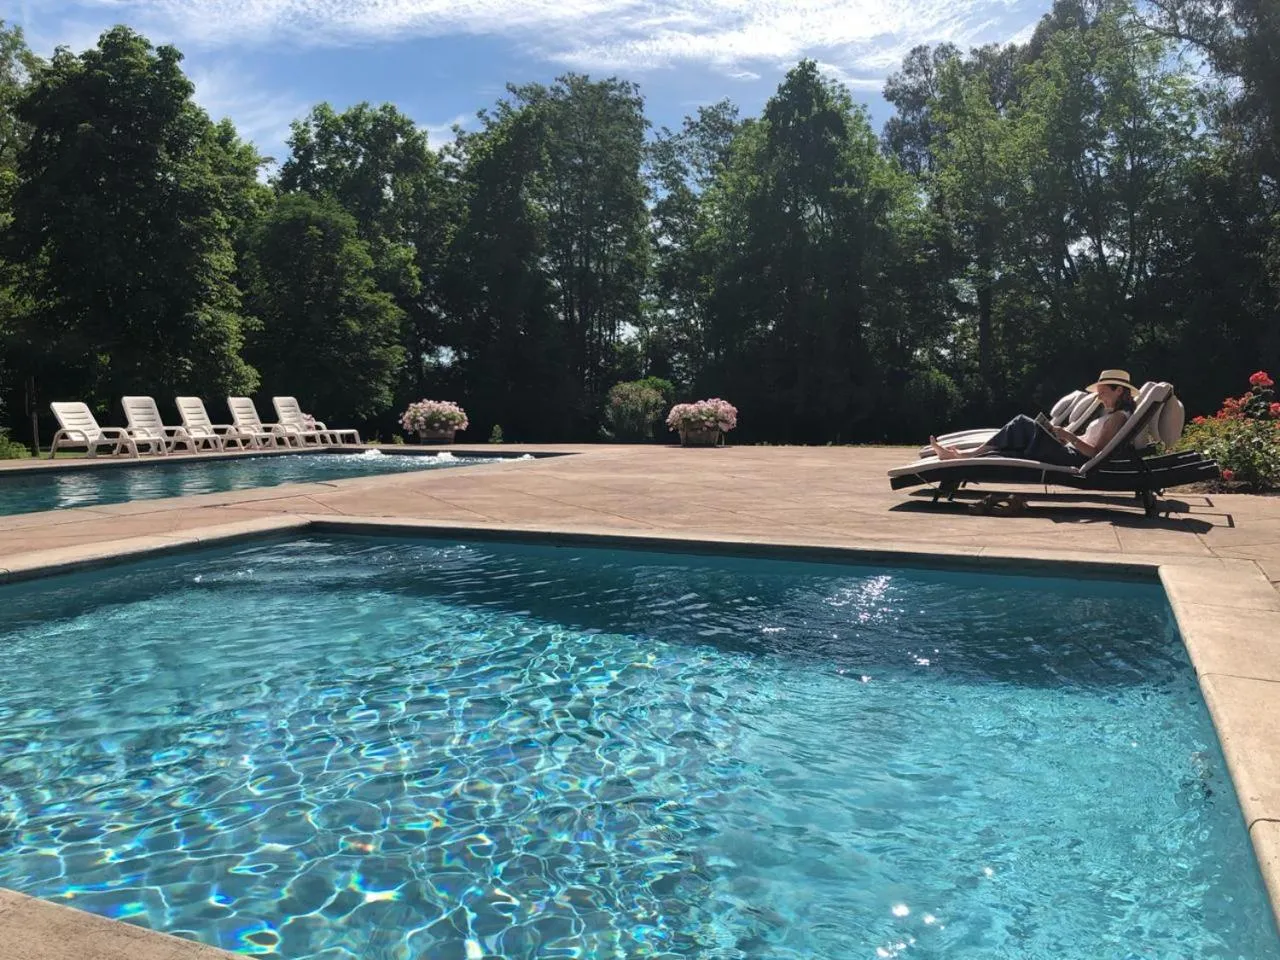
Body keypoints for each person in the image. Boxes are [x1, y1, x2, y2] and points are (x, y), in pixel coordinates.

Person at [930, 369, 1139, 466]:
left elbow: (1095, 453)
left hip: (1071, 457)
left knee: (1021, 422)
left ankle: (966, 455)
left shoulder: (1117, 418)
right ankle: (959, 456)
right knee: (1014, 448)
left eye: (1103, 392)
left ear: (1119, 390)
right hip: (1068, 450)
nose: (1099, 397)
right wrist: (1062, 437)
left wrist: (1068, 436)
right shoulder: (1113, 415)